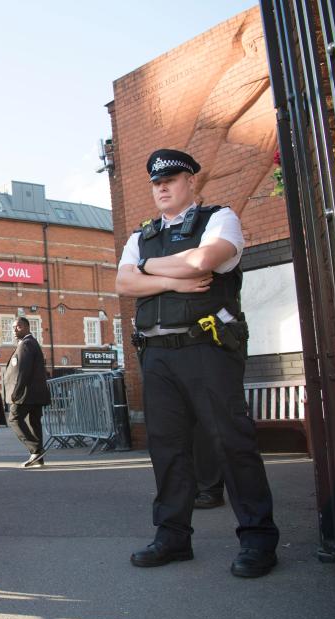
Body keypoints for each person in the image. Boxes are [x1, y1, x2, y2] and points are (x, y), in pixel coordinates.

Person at [115, 149, 279, 578]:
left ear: (192, 182)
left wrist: (147, 271)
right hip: (156, 354)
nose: (162, 187)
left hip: (206, 349)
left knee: (231, 442)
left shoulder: (219, 219)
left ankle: (258, 539)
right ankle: (172, 537)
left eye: (170, 179)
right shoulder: (142, 236)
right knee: (167, 449)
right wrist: (169, 278)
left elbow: (206, 260)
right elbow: (123, 281)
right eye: (156, 182)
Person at [1, 316, 50, 469]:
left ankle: (36, 450)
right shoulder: (30, 343)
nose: (15, 330)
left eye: (18, 326)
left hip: (26, 394)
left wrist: (16, 391)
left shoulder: (27, 344)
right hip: (36, 393)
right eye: (14, 327)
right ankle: (38, 459)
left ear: (28, 327)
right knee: (35, 423)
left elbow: (22, 370)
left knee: (14, 419)